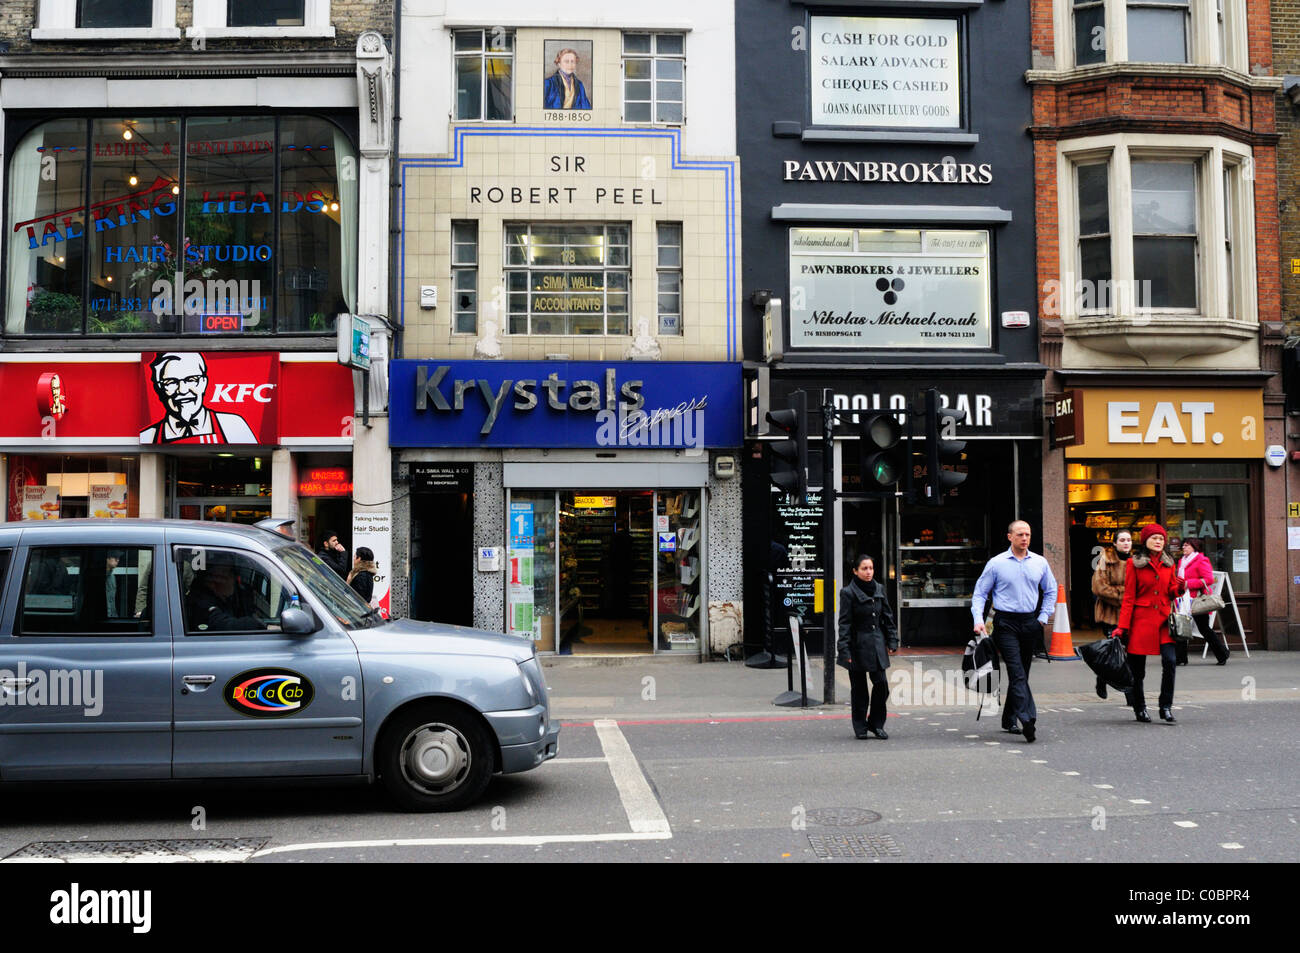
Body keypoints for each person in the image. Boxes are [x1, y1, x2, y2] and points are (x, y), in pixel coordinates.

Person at [971, 520, 1057, 743]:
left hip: (1030, 622)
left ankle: (1009, 718)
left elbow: (1051, 590)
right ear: (1010, 536)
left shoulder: (1039, 562)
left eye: (1027, 534)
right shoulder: (996, 563)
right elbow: (980, 593)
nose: (1025, 538)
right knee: (1016, 671)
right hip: (1005, 622)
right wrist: (978, 620)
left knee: (1023, 673)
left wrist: (1042, 618)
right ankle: (1027, 719)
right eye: (1020, 534)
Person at [1111, 524, 1185, 724]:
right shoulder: (1134, 564)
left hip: (1164, 621)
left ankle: (1166, 706)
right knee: (1138, 670)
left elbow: (1171, 591)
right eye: (1154, 538)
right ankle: (1140, 708)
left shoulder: (1170, 563)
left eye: (1161, 538)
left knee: (1170, 662)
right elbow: (1128, 597)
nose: (1158, 541)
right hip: (1141, 621)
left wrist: (1179, 588)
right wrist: (1123, 626)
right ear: (1145, 541)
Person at [837, 555, 898, 740]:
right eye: (864, 568)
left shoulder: (879, 589)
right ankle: (860, 727)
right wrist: (844, 649)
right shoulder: (848, 593)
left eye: (871, 568)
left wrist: (892, 640)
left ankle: (876, 723)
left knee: (882, 685)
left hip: (877, 644)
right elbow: (844, 624)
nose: (868, 572)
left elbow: (887, 617)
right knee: (859, 689)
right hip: (857, 645)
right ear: (855, 571)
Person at [138, 352, 257, 444]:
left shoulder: (233, 425)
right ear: (159, 388)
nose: (183, 390)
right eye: (171, 382)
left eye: (191, 380)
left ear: (204, 383)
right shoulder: (149, 436)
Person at [1090, 529, 1132, 698]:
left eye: (1128, 540)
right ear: (1114, 543)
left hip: (1130, 616)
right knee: (1114, 654)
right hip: (1110, 615)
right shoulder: (1104, 560)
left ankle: (1131, 694)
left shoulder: (1136, 562)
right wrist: (1125, 596)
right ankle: (1102, 678)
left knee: (1130, 657)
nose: (1126, 543)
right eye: (1122, 540)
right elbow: (1099, 587)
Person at [1179, 537, 1229, 665]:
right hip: (1183, 599)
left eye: (1186, 546)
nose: (1183, 547)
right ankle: (1181, 659)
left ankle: (1222, 654)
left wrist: (1188, 583)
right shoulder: (1182, 561)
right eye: (1183, 545)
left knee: (1204, 629)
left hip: (1197, 600)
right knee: (1182, 627)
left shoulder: (1201, 560)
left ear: (1194, 547)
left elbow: (1209, 579)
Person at [185, 558, 266, 632]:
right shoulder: (201, 600)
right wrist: (260, 624)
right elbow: (224, 624)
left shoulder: (233, 598)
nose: (234, 582)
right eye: (227, 576)